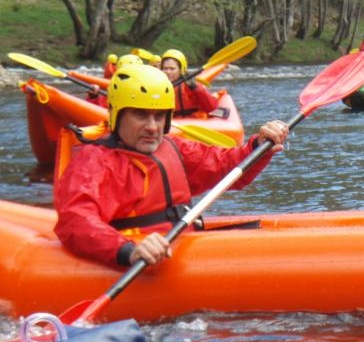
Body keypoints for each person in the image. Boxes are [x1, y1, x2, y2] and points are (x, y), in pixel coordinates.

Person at [55, 65, 289, 268]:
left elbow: (225, 165)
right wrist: (127, 250)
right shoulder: (94, 162)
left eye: (159, 117)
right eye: (140, 115)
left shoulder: (174, 147)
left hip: (184, 247)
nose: (152, 127)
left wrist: (258, 146)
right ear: (117, 115)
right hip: (139, 258)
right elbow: (76, 219)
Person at [161, 49, 224, 118]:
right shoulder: (158, 86)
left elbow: (210, 107)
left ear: (181, 69)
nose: (168, 72)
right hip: (170, 122)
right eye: (165, 68)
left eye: (172, 69)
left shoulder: (190, 86)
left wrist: (196, 88)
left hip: (192, 121)